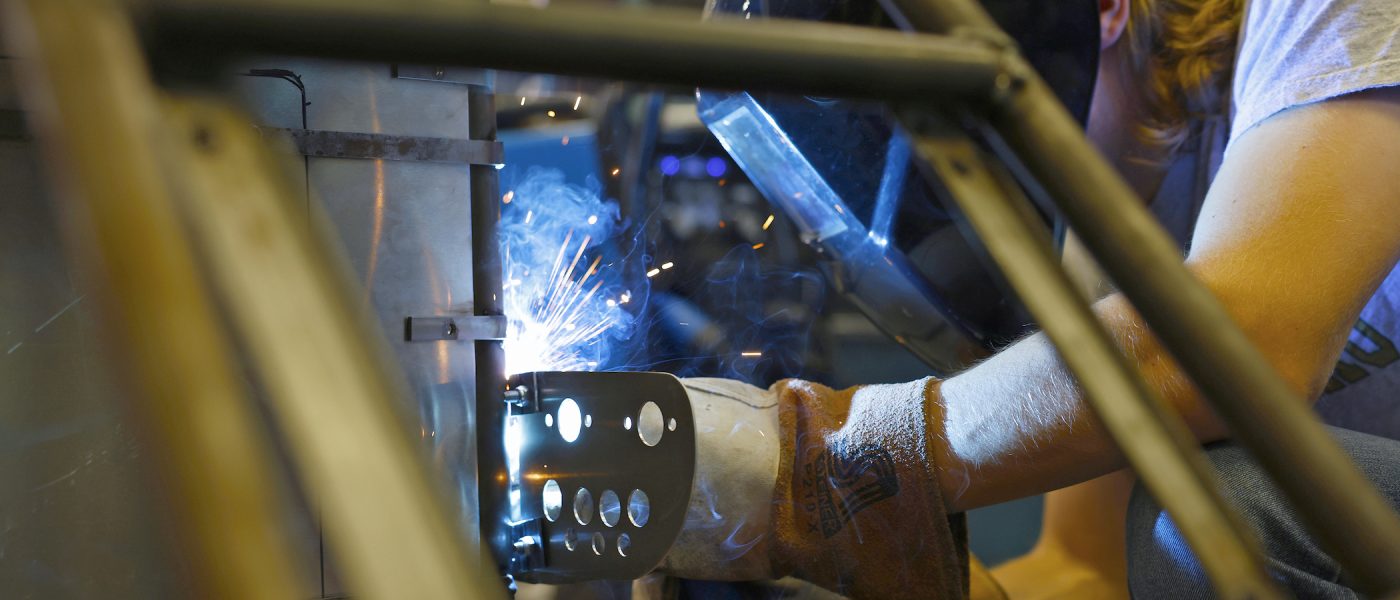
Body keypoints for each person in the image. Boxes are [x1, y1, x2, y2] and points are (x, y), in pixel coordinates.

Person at [662, 0, 1400, 597]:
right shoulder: (1102, 221)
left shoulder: (1333, 15)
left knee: (1234, 510)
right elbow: (1086, 570)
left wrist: (831, 462)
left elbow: (1246, 343)